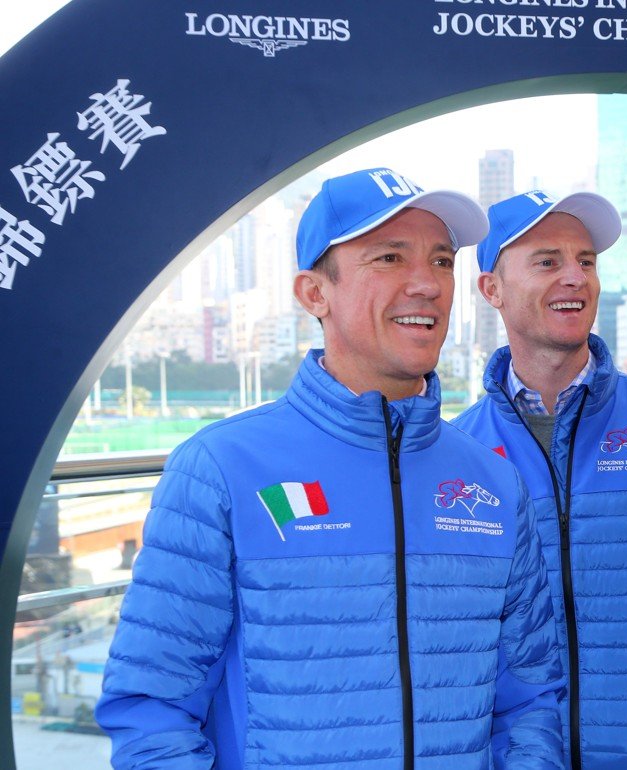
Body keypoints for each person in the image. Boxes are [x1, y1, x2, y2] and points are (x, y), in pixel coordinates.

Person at [96, 168, 566, 770]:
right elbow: (152, 710)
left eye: (443, 261)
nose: (426, 284)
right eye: (390, 258)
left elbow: (529, 702)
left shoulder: (493, 483)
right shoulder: (221, 470)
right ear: (314, 293)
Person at [454, 190, 627, 770]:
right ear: (491, 289)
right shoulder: (457, 453)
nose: (575, 278)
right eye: (547, 261)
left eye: (586, 261)